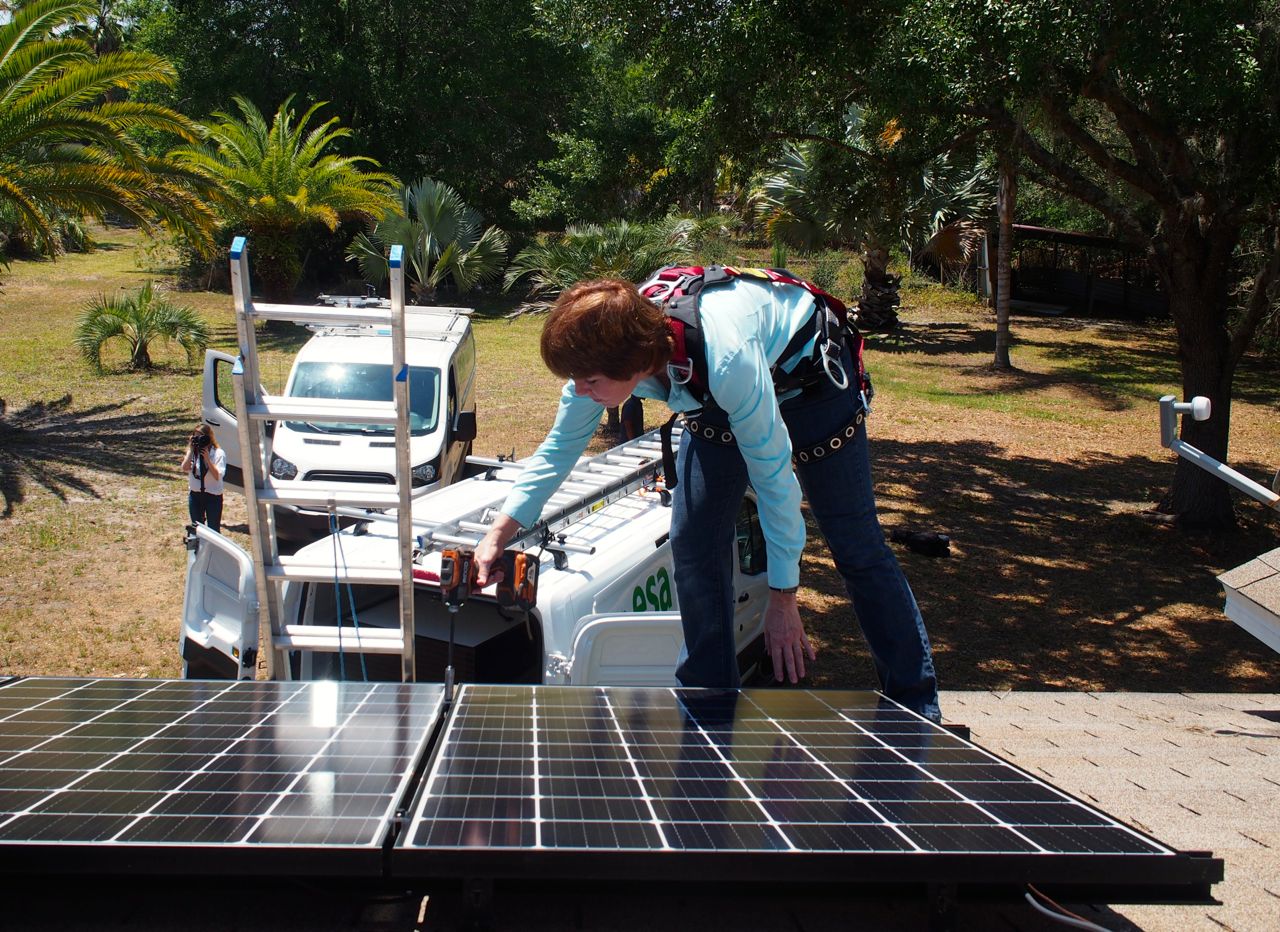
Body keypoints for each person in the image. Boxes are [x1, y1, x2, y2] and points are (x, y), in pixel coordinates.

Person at [474, 275, 939, 721]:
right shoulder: (605, 352)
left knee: (854, 543)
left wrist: (783, 599)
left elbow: (775, 480)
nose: (578, 389)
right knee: (695, 543)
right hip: (712, 389)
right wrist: (500, 532)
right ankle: (709, 701)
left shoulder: (725, 356)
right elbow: (558, 450)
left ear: (632, 365)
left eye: (589, 381)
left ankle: (915, 703)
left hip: (812, 380)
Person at [181, 424, 226, 533]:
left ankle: (213, 549)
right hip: (195, 495)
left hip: (213, 496)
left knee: (213, 529)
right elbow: (184, 468)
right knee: (197, 528)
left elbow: (217, 476)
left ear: (208, 438)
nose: (199, 442)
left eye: (201, 438)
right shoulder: (193, 453)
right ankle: (200, 549)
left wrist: (207, 459)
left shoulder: (218, 453)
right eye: (196, 437)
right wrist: (191, 450)